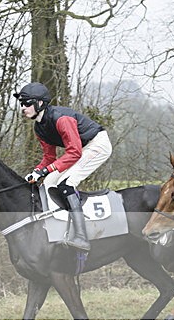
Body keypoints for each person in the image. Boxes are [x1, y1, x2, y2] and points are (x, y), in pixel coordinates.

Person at [13, 82, 113, 252]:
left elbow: (74, 153)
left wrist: (47, 170)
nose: (23, 107)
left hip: (97, 145)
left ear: (40, 103)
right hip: (81, 149)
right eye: (22, 104)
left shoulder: (61, 119)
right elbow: (49, 157)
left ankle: (82, 237)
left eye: (27, 103)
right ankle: (58, 227)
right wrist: (37, 172)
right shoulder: (39, 128)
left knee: (66, 183)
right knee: (48, 183)